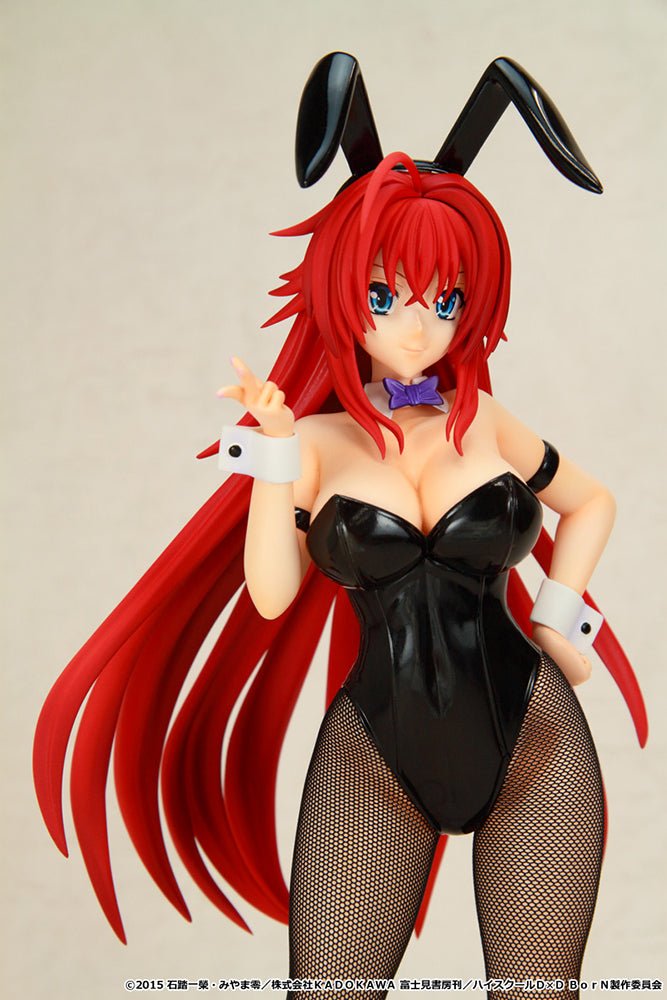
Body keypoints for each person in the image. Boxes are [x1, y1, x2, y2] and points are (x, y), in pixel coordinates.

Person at [33, 54, 647, 999]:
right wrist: (277, 455)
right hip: (375, 755)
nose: (418, 330)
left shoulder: (485, 423)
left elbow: (591, 500)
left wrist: (560, 621)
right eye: (386, 296)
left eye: (446, 300)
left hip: (534, 738)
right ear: (340, 291)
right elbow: (271, 595)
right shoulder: (315, 445)